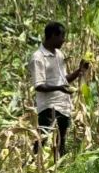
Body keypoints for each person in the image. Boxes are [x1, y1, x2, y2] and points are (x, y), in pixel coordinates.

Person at [28, 21, 89, 158]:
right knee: (43, 138)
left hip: (63, 104)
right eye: (62, 36)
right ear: (53, 36)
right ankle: (33, 167)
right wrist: (60, 88)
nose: (64, 40)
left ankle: (58, 167)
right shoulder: (38, 58)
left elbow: (63, 79)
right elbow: (39, 85)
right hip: (48, 106)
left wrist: (79, 71)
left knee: (61, 140)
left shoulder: (59, 55)